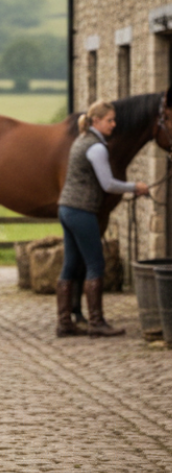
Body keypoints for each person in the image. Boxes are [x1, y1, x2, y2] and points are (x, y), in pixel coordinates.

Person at [56, 99, 149, 338]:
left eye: (114, 120)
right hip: (81, 210)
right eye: (110, 120)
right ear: (96, 120)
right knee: (95, 264)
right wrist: (134, 186)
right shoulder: (97, 147)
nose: (114, 124)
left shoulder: (81, 140)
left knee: (70, 264)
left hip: (66, 208)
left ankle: (64, 323)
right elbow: (107, 183)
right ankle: (96, 322)